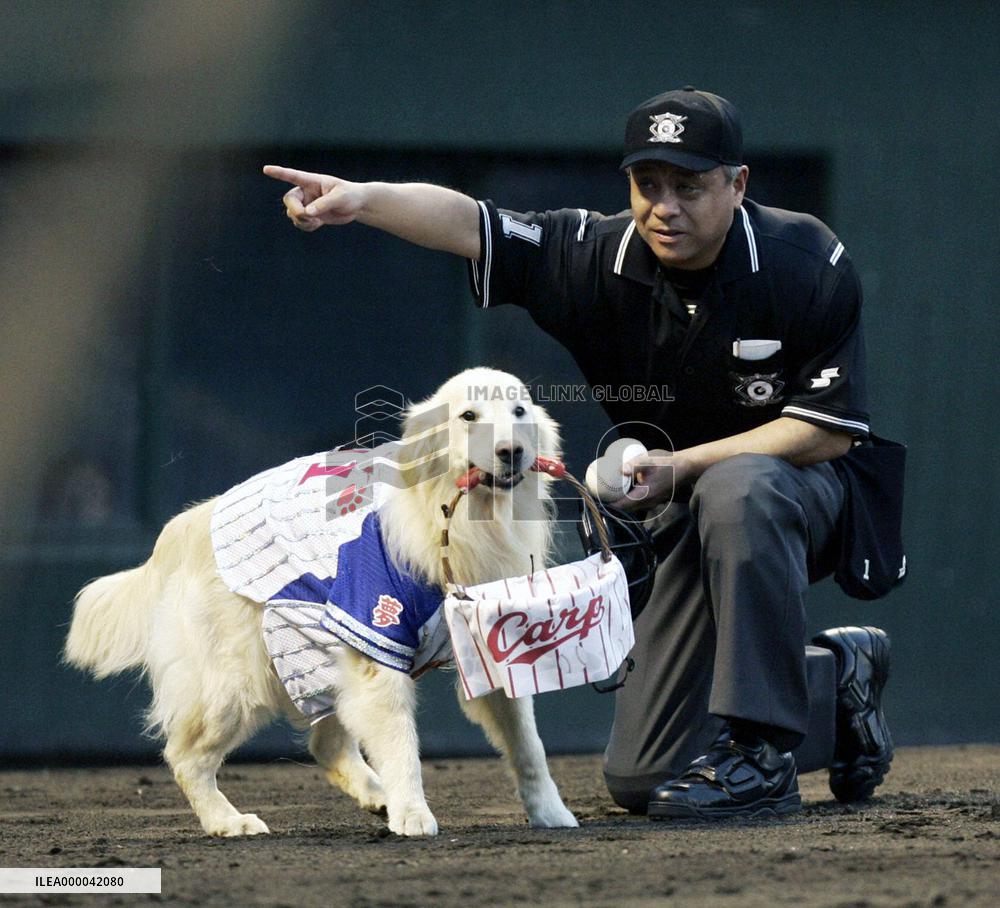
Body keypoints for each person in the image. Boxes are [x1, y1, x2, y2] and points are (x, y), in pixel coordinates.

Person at [263, 87, 896, 820]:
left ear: (738, 184)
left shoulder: (804, 259)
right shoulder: (595, 253)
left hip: (801, 495)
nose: (665, 206)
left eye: (689, 186)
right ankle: (837, 679)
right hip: (683, 509)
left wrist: (683, 466)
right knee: (641, 778)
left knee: (741, 486)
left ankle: (760, 752)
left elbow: (830, 430)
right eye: (647, 184)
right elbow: (472, 224)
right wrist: (364, 199)